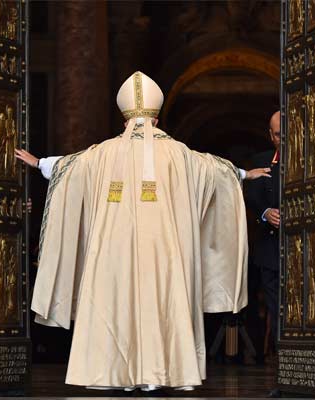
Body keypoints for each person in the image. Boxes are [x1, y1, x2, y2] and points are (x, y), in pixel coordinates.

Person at [15, 71, 271, 391]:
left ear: (124, 119)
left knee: (114, 302)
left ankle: (111, 374)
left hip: (112, 254)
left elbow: (69, 167)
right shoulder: (178, 152)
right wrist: (245, 173)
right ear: (158, 117)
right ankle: (158, 375)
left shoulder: (102, 152)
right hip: (164, 251)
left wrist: (40, 162)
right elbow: (215, 170)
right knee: (162, 301)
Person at [246, 111, 281, 359]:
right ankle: (286, 372)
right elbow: (250, 197)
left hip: (310, 249)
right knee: (277, 310)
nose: (285, 138)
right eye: (279, 134)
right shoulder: (261, 162)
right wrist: (266, 213)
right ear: (270, 135)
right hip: (271, 250)